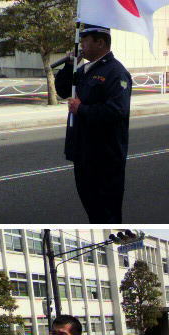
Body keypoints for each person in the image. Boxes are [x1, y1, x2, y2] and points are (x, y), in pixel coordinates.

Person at [55, 24, 132, 223]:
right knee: (93, 210)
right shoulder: (86, 70)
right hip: (83, 152)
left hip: (104, 157)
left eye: (85, 41)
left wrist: (82, 109)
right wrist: (70, 65)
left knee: (107, 212)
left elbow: (118, 111)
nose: (81, 46)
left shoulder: (116, 72)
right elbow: (63, 91)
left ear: (100, 42)